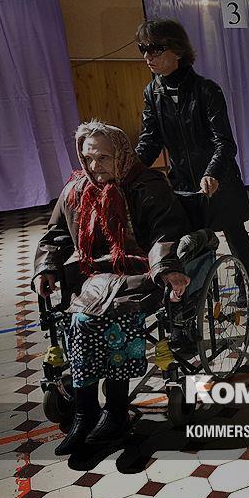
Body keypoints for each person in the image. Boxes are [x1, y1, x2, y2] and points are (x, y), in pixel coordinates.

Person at [33, 121, 191, 456]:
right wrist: (46, 266)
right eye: (88, 158)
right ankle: (86, 411)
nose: (94, 166)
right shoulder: (76, 190)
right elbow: (56, 236)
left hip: (139, 272)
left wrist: (166, 268)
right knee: (79, 321)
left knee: (117, 316)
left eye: (103, 157)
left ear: (120, 153)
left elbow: (165, 233)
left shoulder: (147, 185)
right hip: (93, 276)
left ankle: (116, 411)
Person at [134, 19, 249, 295]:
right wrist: (129, 169)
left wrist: (211, 173)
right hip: (183, 183)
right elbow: (150, 141)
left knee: (235, 236)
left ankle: (247, 288)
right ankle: (199, 294)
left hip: (220, 180)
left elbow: (224, 142)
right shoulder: (153, 92)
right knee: (192, 244)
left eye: (155, 49)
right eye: (143, 49)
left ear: (177, 50)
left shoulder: (206, 90)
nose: (147, 56)